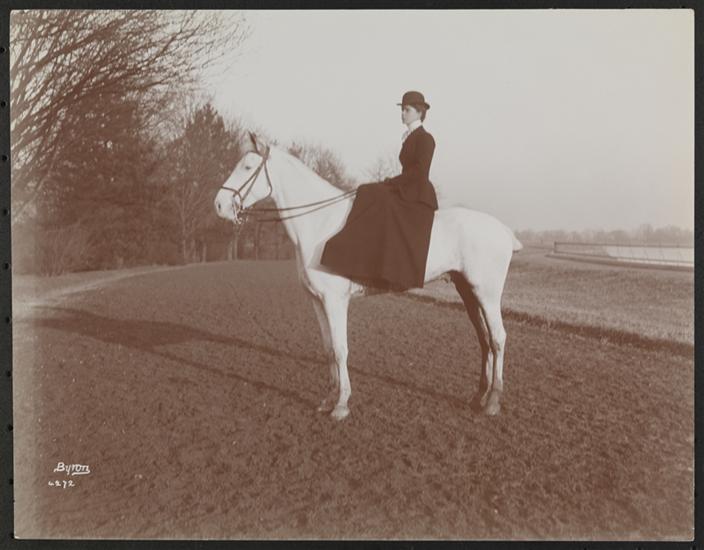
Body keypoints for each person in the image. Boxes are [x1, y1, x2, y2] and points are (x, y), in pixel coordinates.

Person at [320, 91, 439, 291]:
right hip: (405, 189)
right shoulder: (409, 137)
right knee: (365, 191)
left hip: (417, 195)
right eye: (402, 110)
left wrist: (391, 183)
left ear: (419, 112)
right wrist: (392, 183)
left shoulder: (426, 138)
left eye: (407, 110)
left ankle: (368, 262)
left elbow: (419, 172)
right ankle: (356, 256)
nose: (402, 114)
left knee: (371, 193)